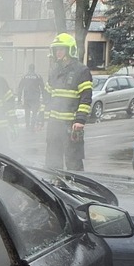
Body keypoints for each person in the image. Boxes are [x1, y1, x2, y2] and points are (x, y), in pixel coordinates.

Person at [44, 33, 93, 171]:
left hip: (71, 125)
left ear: (69, 50)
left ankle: (77, 189)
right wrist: (41, 117)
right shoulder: (54, 71)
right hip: (54, 124)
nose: (58, 52)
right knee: (52, 160)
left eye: (61, 49)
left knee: (73, 161)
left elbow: (86, 98)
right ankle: (54, 187)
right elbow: (47, 95)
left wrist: (80, 120)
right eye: (56, 49)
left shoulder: (81, 71)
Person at [17, 64, 45, 132]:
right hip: (35, 98)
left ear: (29, 69)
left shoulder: (24, 76)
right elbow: (43, 87)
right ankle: (32, 127)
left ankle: (27, 126)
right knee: (34, 113)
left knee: (27, 112)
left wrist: (19, 99)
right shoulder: (38, 76)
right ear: (34, 69)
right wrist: (44, 98)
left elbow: (20, 88)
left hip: (27, 98)